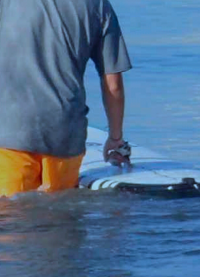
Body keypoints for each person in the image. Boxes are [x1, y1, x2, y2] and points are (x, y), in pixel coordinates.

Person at [0, 0, 132, 197]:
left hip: (11, 128)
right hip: (65, 131)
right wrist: (115, 139)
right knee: (60, 216)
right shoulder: (98, 6)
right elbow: (113, 85)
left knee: (12, 214)